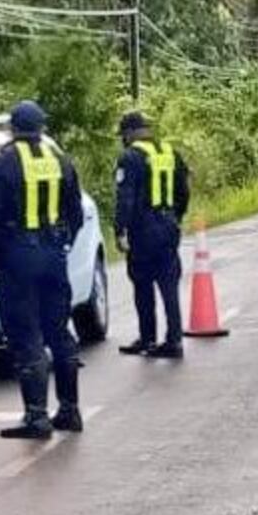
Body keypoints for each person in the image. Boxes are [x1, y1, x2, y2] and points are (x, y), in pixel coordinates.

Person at [0, 101, 85, 440]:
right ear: (42, 128)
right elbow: (75, 213)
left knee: (25, 334)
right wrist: (60, 243)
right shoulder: (62, 163)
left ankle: (36, 417)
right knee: (59, 331)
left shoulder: (1, 166)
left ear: (12, 128)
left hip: (18, 260)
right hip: (53, 256)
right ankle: (70, 410)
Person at [114, 111, 190, 360]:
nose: (123, 139)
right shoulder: (169, 152)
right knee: (169, 285)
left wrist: (120, 230)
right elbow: (183, 189)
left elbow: (126, 198)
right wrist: (176, 216)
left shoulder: (130, 157)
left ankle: (148, 338)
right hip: (168, 224)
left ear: (129, 133)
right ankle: (174, 340)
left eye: (123, 134)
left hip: (143, 229)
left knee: (143, 285)